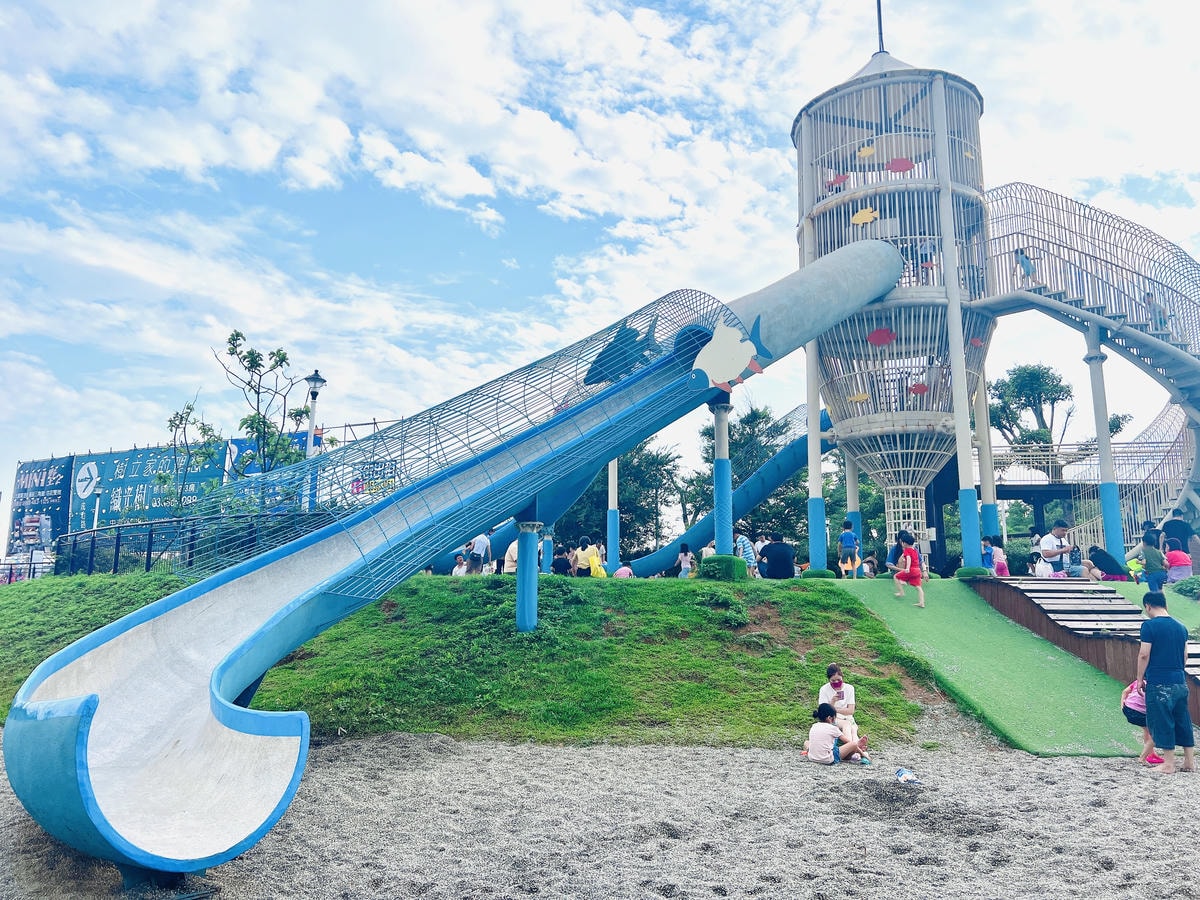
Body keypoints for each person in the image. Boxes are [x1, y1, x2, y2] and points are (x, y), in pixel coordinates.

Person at [1135, 592, 1195, 774]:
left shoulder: (1149, 626)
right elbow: (1185, 655)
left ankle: (1168, 764)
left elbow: (1144, 654)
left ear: (1148, 606)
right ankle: (1189, 762)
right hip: (1179, 681)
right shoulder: (1181, 627)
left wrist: (1139, 679)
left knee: (1162, 720)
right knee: (1182, 719)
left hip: (1159, 682)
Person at [817, 664, 868, 755]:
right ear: (829, 680)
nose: (836, 682)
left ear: (842, 677)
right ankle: (851, 747)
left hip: (847, 716)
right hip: (832, 717)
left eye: (839, 680)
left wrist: (833, 708)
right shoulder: (824, 689)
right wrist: (832, 702)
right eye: (833, 680)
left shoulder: (849, 688)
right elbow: (823, 712)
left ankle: (856, 749)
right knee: (847, 725)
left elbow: (850, 711)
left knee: (853, 729)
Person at [804, 703, 869, 765]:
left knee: (806, 742)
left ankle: (858, 749)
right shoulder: (833, 728)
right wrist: (864, 755)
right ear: (829, 718)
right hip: (827, 759)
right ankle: (856, 753)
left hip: (812, 757)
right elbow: (849, 742)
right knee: (853, 744)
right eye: (834, 718)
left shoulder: (814, 726)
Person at [1120, 679, 1162, 766]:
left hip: (1127, 709)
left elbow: (1125, 692)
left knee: (1147, 730)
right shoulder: (1157, 686)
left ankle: (1150, 754)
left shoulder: (1139, 681)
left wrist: (1122, 706)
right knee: (1156, 734)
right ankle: (1142, 758)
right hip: (1139, 713)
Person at [893, 532, 925, 607]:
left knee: (896, 576)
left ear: (904, 543)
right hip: (917, 570)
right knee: (918, 587)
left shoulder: (907, 550)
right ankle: (922, 602)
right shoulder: (915, 550)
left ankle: (901, 592)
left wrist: (907, 568)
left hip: (911, 570)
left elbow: (908, 558)